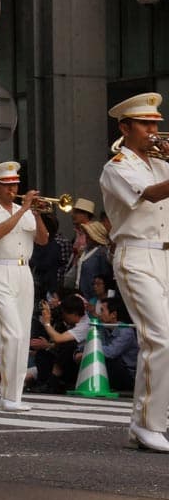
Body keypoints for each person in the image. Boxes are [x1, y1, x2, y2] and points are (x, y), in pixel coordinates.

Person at [99, 91, 169, 451]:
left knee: (162, 340)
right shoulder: (117, 167)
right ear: (125, 127)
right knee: (159, 337)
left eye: (155, 123)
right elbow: (151, 196)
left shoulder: (161, 163)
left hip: (165, 256)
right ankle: (147, 423)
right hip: (136, 256)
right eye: (145, 124)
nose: (153, 130)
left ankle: (147, 419)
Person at [0, 161, 48, 412]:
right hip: (0, 270)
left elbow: (42, 239)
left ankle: (14, 395)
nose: (12, 188)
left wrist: (36, 215)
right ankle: (7, 392)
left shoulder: (25, 210)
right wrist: (24, 208)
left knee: (23, 334)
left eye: (15, 184)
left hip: (23, 271)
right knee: (11, 333)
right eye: (6, 185)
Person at [97, 295, 138, 393]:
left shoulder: (126, 331)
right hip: (114, 370)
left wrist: (91, 349)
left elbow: (111, 352)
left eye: (102, 311)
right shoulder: (103, 327)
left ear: (113, 314)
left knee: (109, 360)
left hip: (127, 374)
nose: (99, 314)